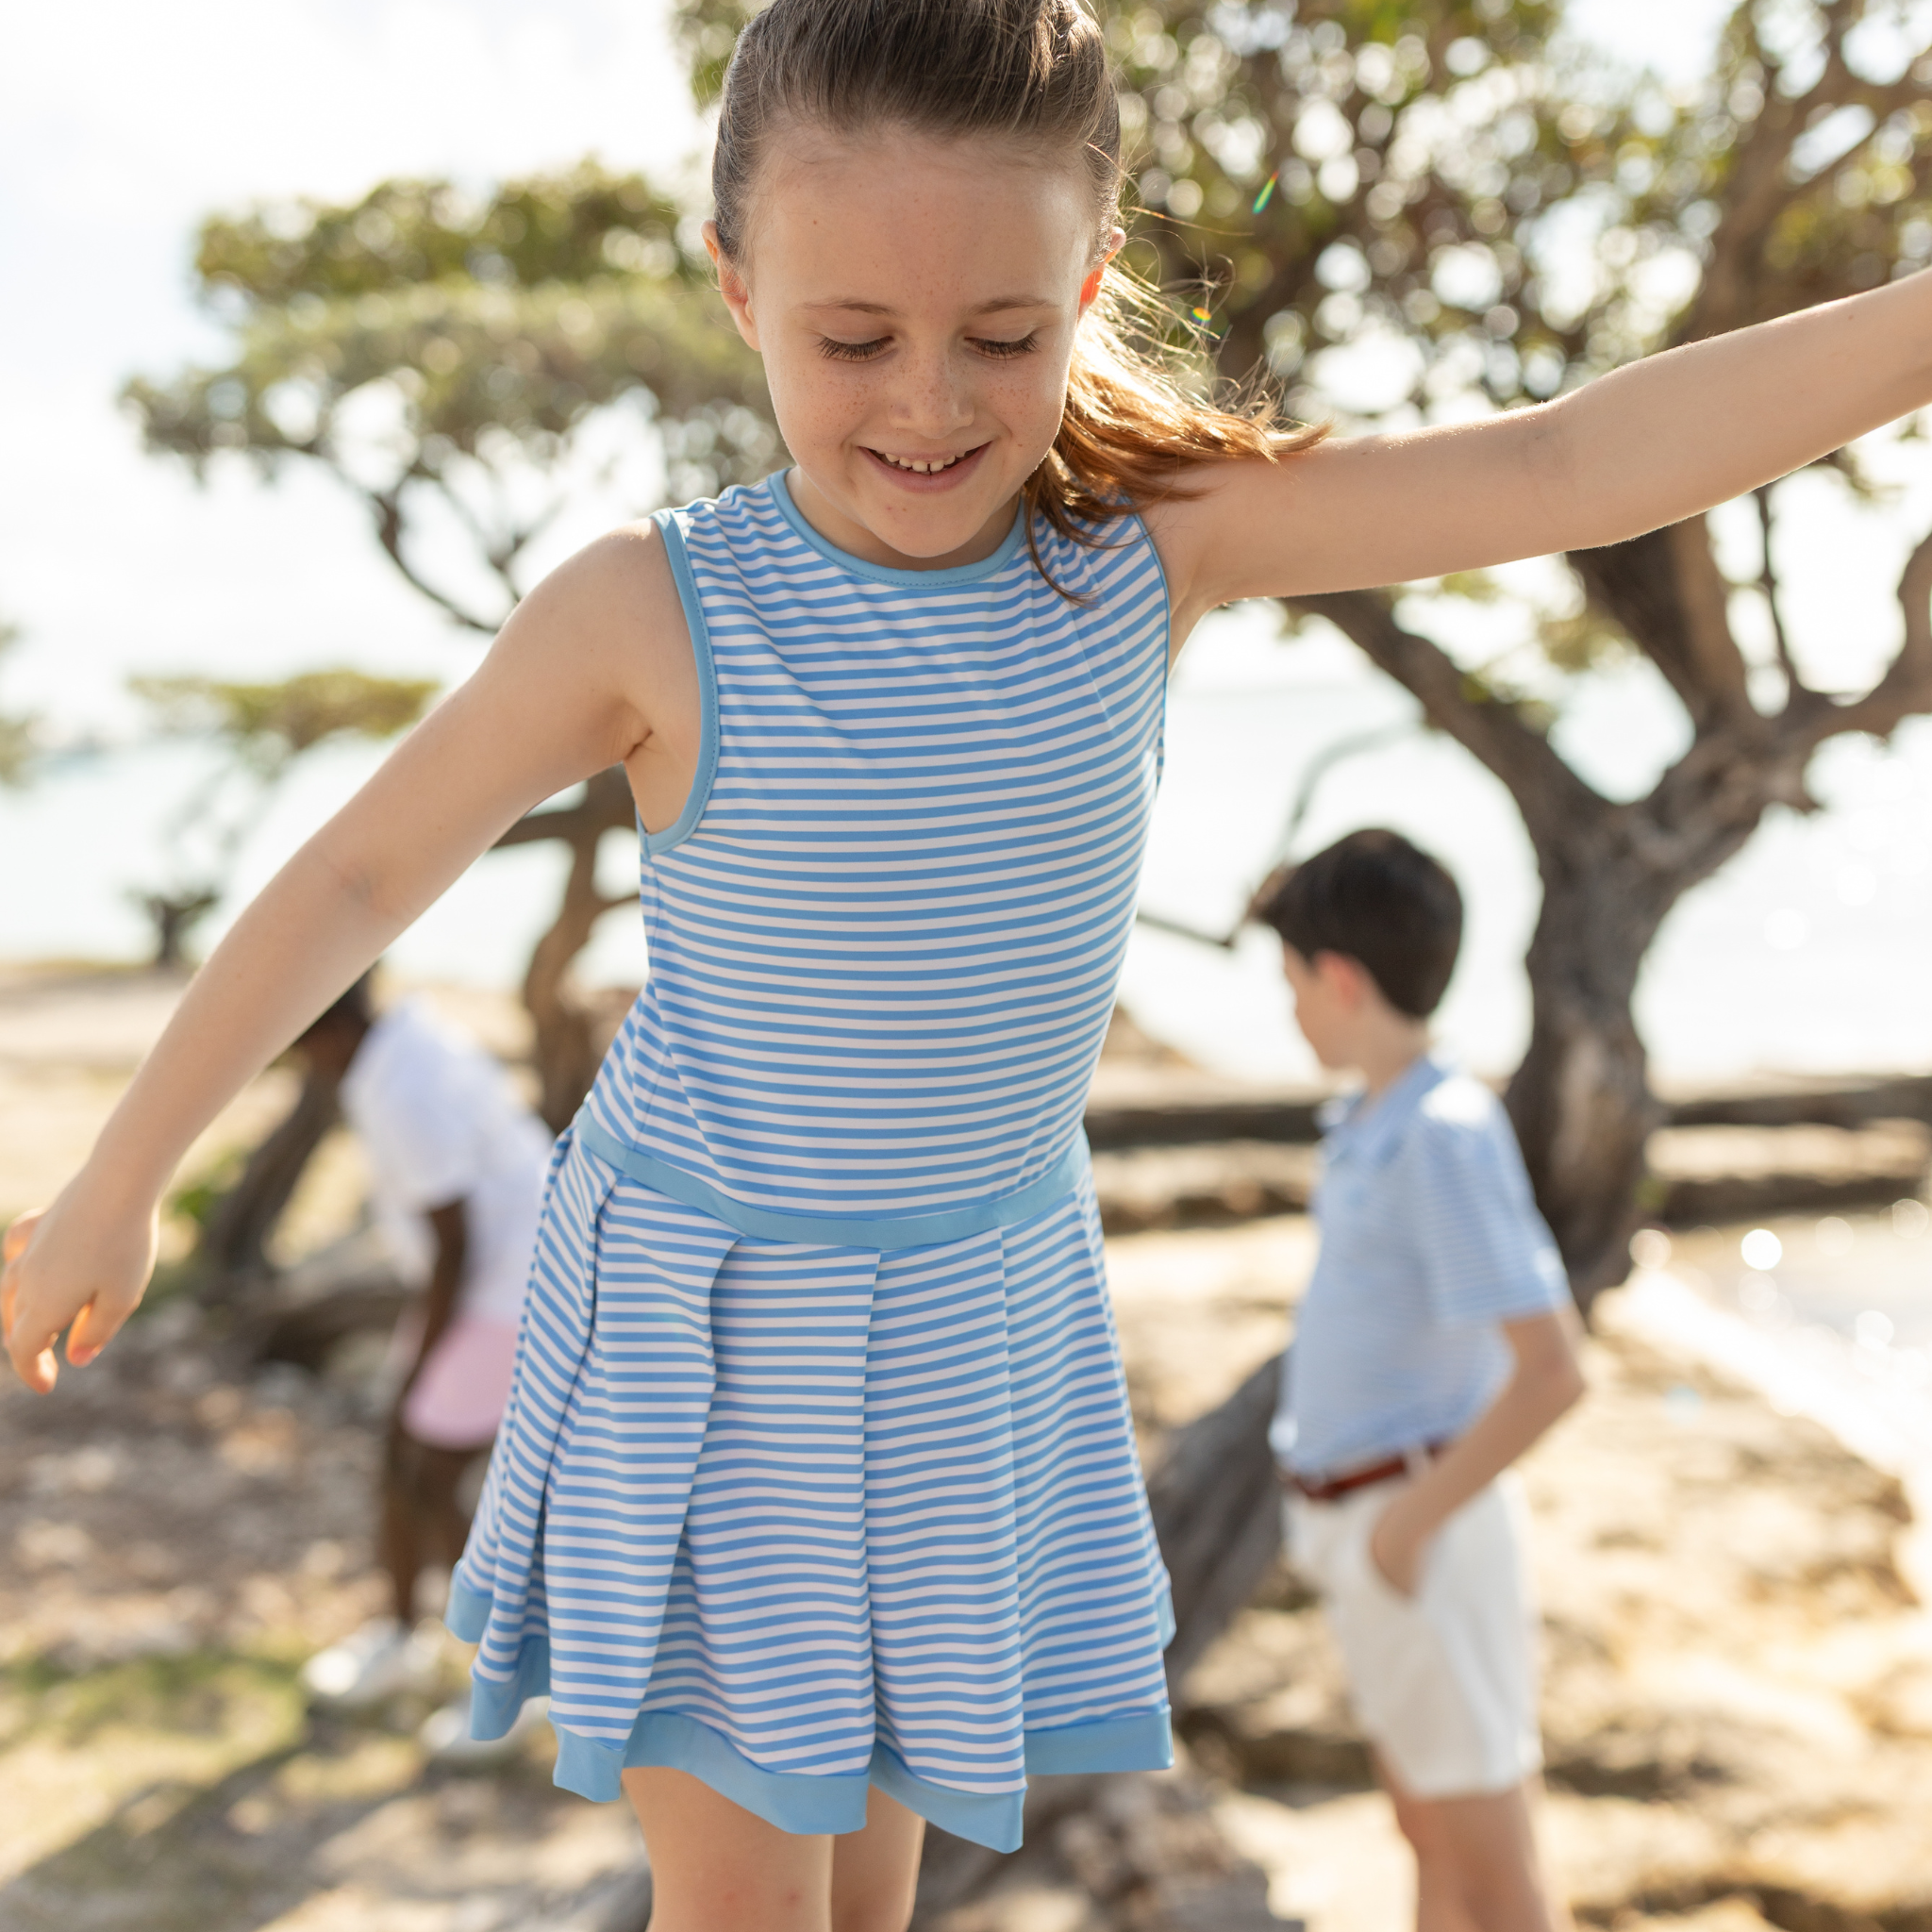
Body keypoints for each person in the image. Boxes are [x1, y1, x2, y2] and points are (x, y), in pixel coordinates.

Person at [6, 0, 1931, 1921]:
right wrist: (123, 1172)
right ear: (736, 287)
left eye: (1002, 337)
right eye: (853, 340)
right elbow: (358, 873)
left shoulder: (1144, 545)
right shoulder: (650, 610)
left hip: (969, 1320)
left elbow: (1568, 464)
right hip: (716, 1320)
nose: (927, 404)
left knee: (870, 1901)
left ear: (1085, 286)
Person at [1253, 831, 1585, 1932]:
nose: (1288, 1007)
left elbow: (1552, 1369)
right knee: (1429, 1837)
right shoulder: (1370, 1118)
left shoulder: (1440, 1132)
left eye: (1291, 980)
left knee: (1491, 1873)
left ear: (1339, 979)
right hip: (1372, 1526)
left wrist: (1404, 1527)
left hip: (1417, 1530)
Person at [290, 976, 553, 1758]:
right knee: (400, 1459)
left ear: (322, 1031)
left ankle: (517, 1686)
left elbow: (454, 1240)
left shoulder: (406, 1089)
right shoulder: (403, 1043)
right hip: (492, 1284)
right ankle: (402, 1639)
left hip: (514, 1291)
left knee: (435, 1478)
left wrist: (421, 1362)